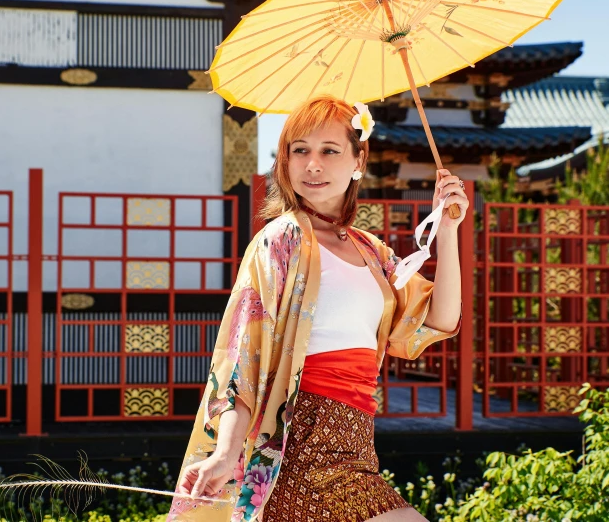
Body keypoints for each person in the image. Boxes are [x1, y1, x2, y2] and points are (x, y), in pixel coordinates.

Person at [167, 95, 467, 522]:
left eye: (329, 151)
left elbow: (439, 319)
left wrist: (449, 229)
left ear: (358, 160)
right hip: (300, 433)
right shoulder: (280, 241)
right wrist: (226, 452)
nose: (313, 164)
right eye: (299, 150)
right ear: (285, 162)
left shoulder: (372, 251)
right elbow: (242, 357)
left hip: (356, 439)